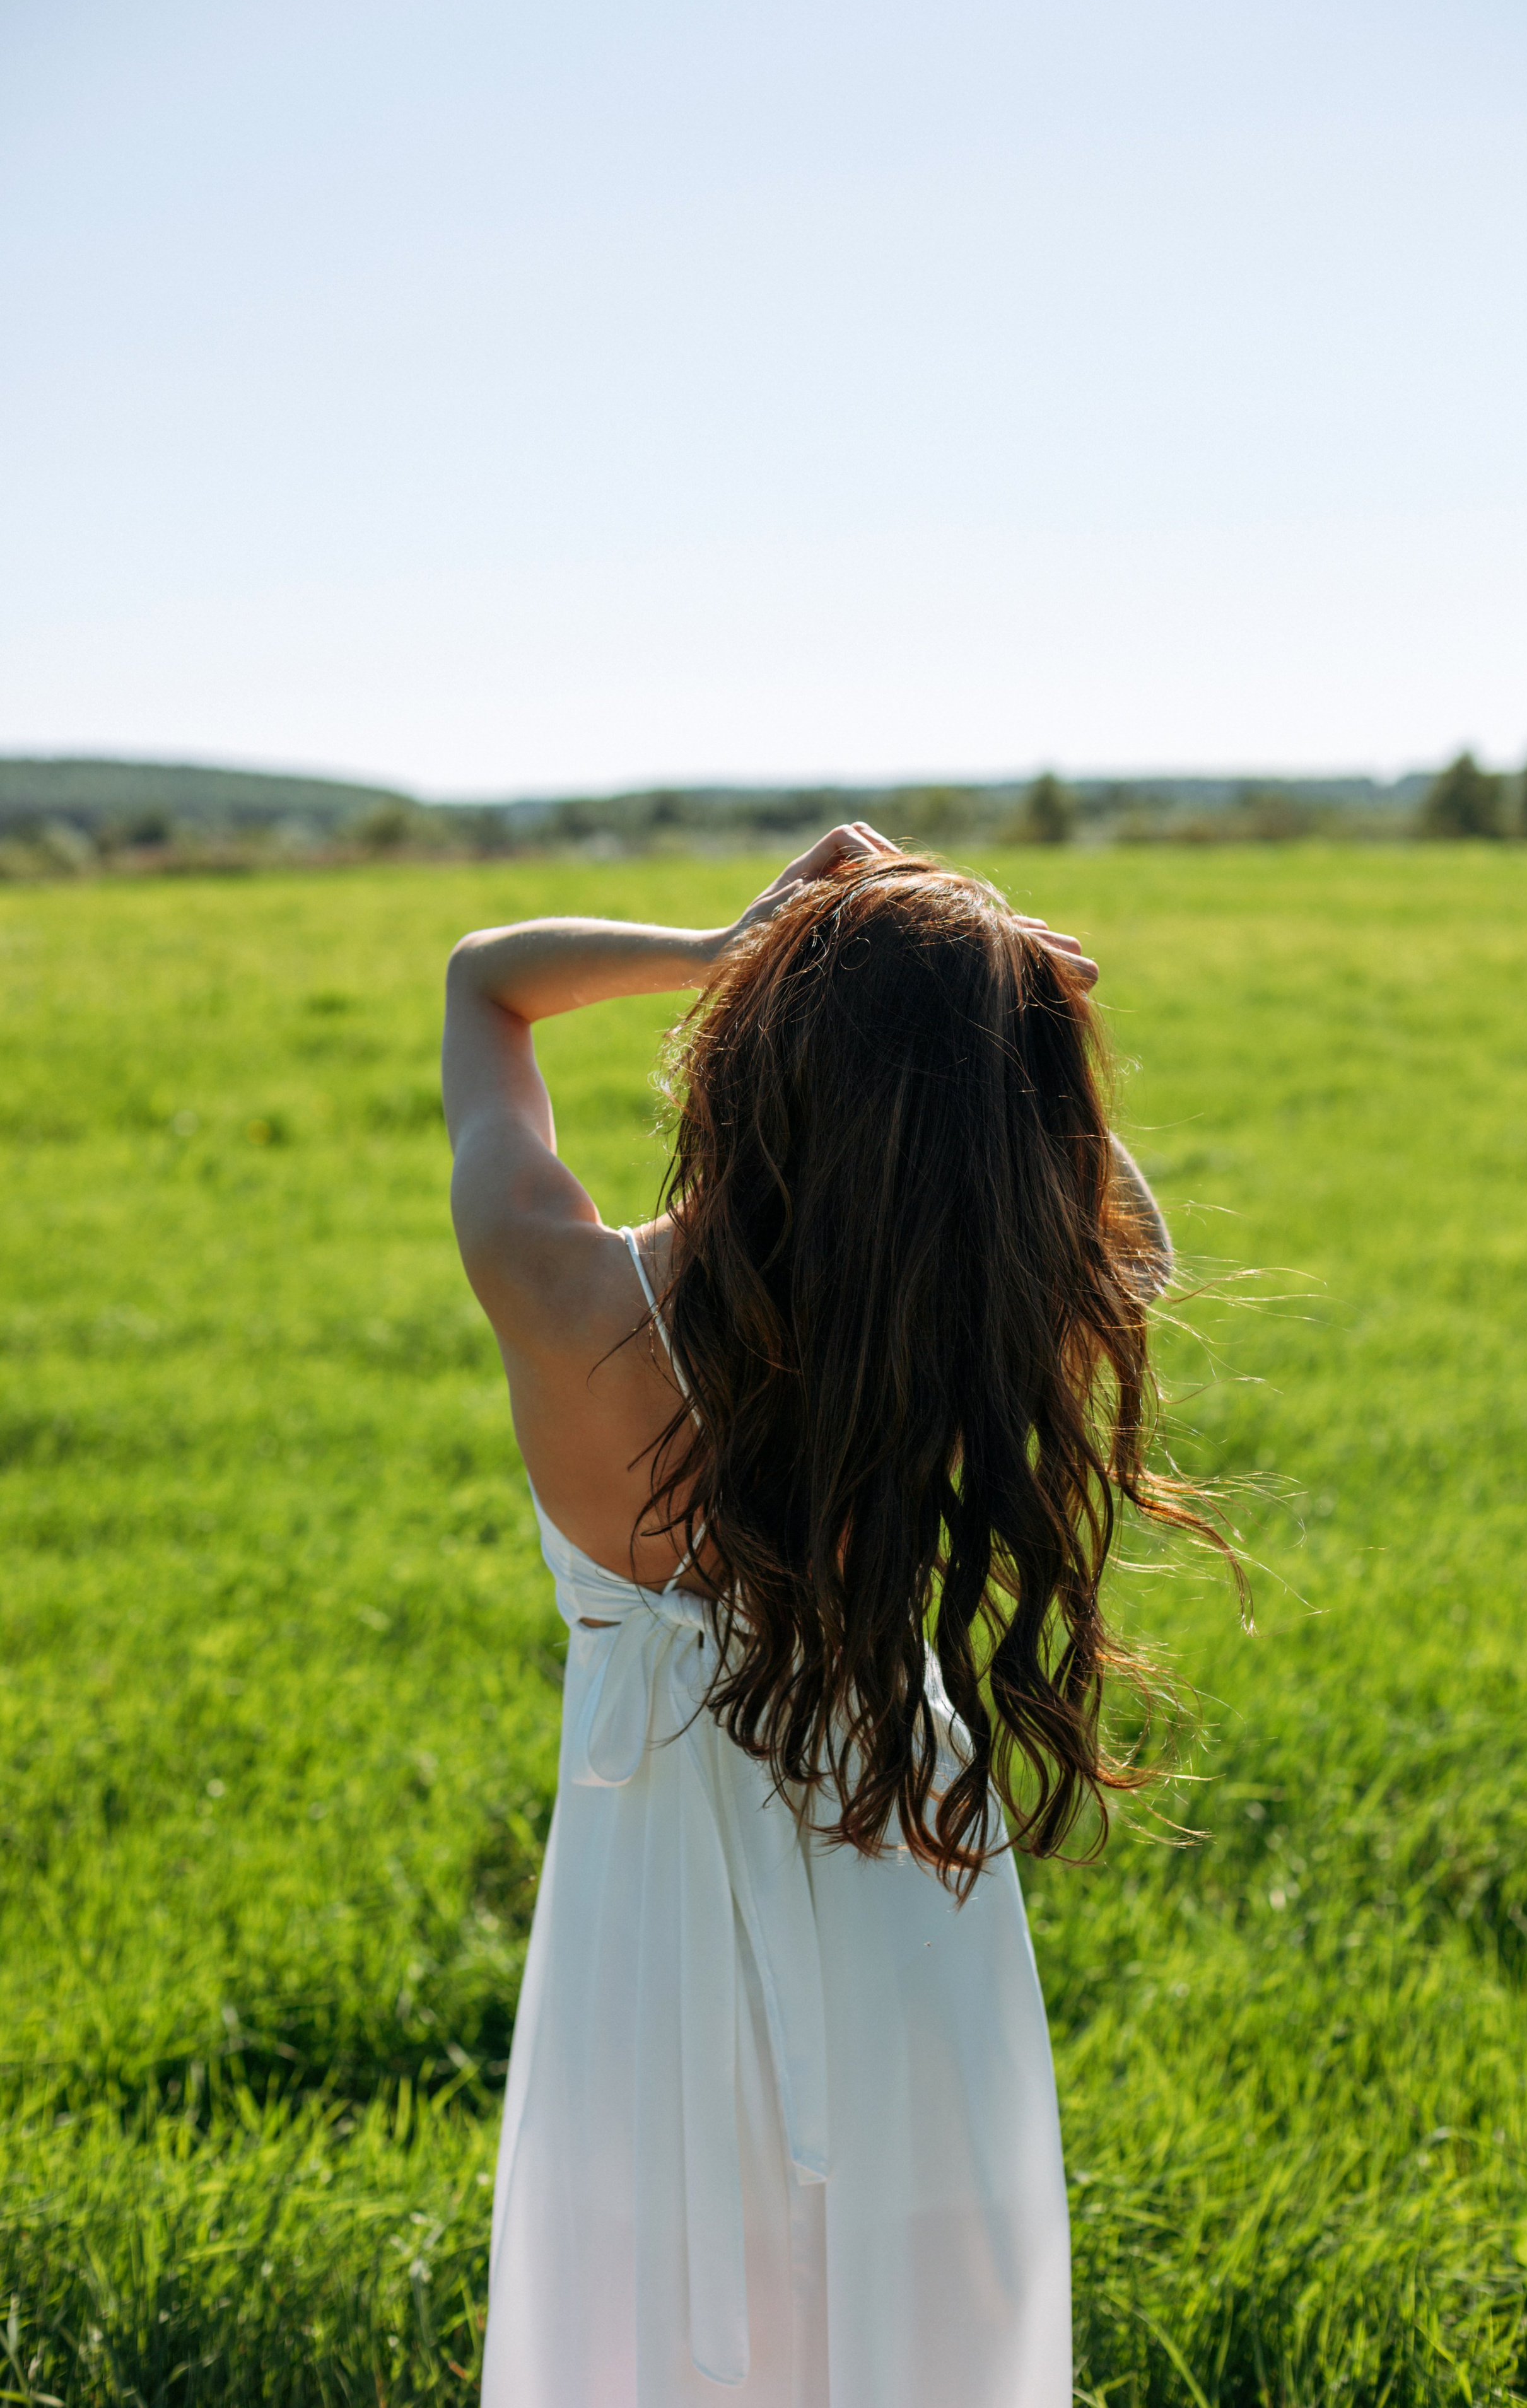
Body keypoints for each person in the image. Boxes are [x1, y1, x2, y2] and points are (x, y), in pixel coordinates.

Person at [442, 825, 1181, 2408]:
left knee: (641, 2283)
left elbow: (483, 982)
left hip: (638, 1905)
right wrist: (1019, 1028)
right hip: (887, 1855)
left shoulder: (559, 1294)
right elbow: (1144, 1248)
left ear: (741, 1066)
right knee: (913, 2292)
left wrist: (723, 944)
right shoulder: (951, 1332)